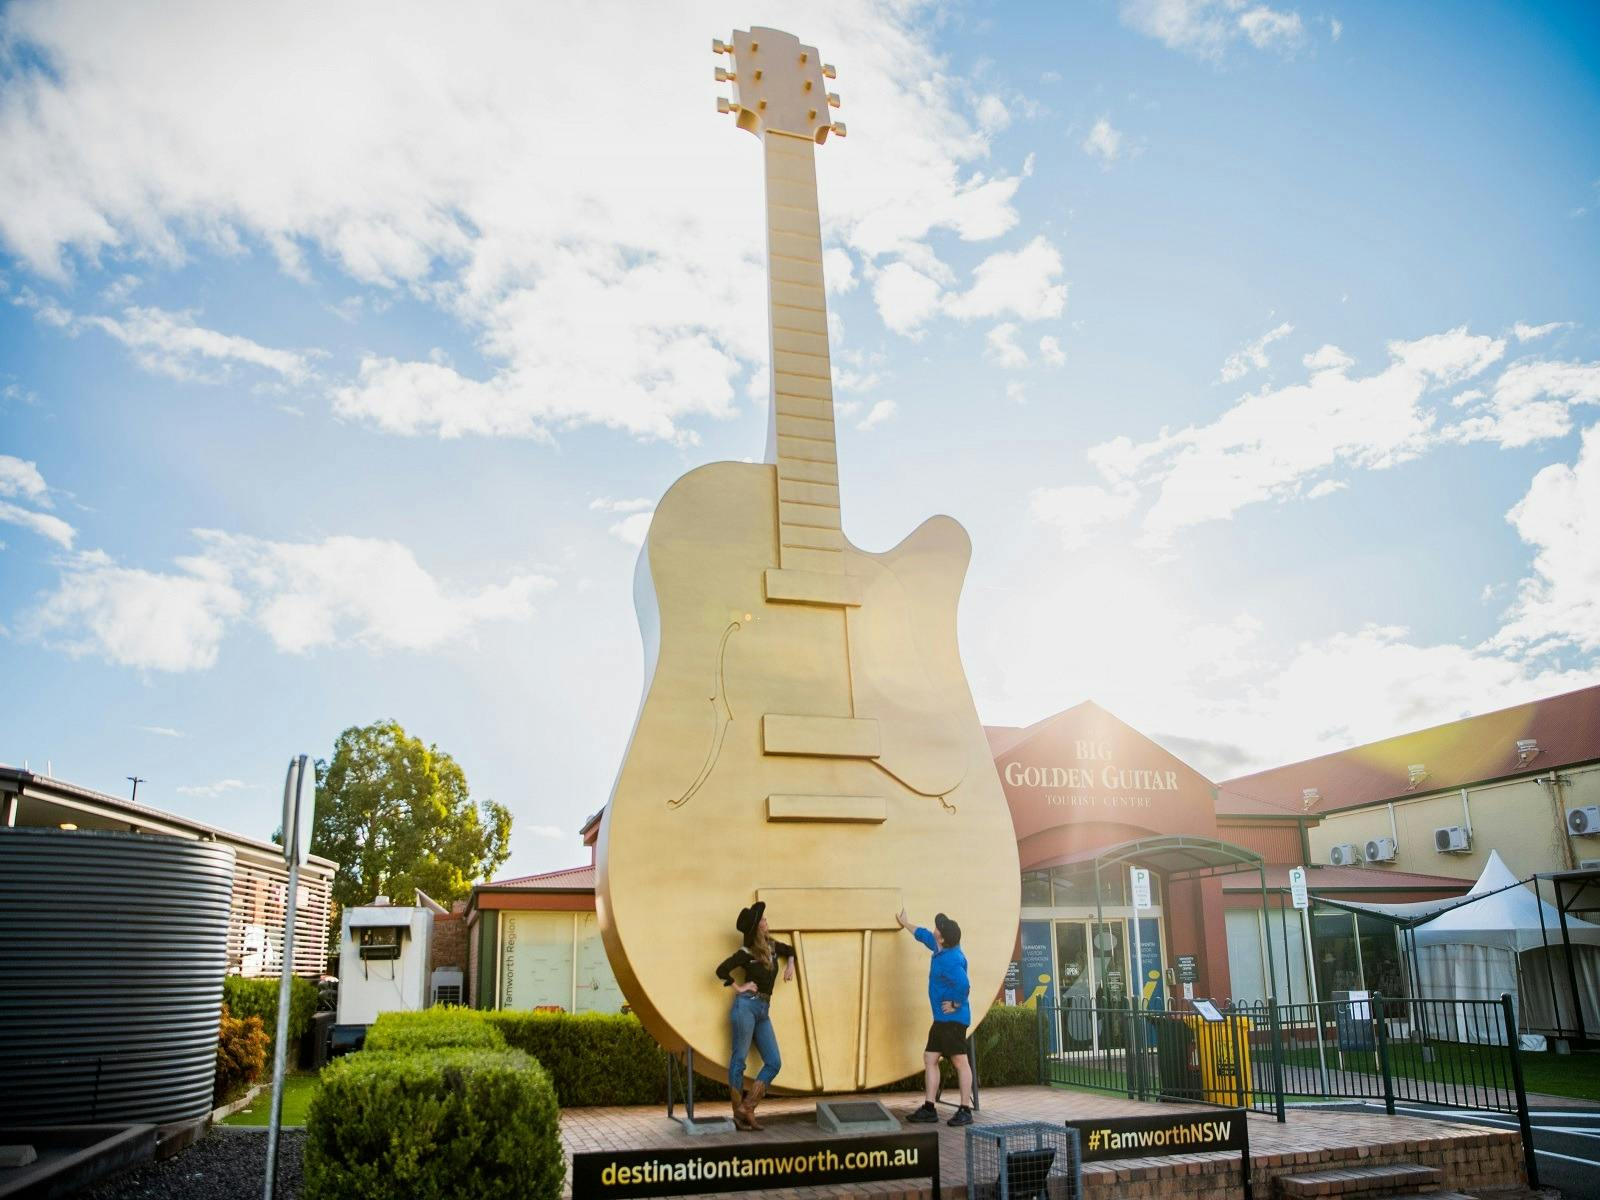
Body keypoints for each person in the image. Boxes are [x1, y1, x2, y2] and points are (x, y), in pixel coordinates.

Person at [715, 900, 795, 1130]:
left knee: (774, 1061)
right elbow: (721, 970)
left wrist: (790, 964)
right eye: (763, 920)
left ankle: (748, 1107)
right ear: (756, 928)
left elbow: (790, 950)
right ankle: (737, 1115)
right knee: (739, 1060)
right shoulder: (746, 953)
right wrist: (739, 987)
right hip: (746, 1008)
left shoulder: (771, 947)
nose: (766, 922)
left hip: (763, 1010)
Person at [897, 906, 973, 1126]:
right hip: (941, 1019)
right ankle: (930, 1108)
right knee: (930, 1058)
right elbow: (922, 935)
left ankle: (965, 1110)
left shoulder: (952, 959)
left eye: (938, 928)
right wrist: (905, 923)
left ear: (942, 937)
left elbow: (964, 984)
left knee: (960, 1061)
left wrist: (956, 1003)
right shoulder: (940, 947)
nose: (935, 929)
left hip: (953, 1020)